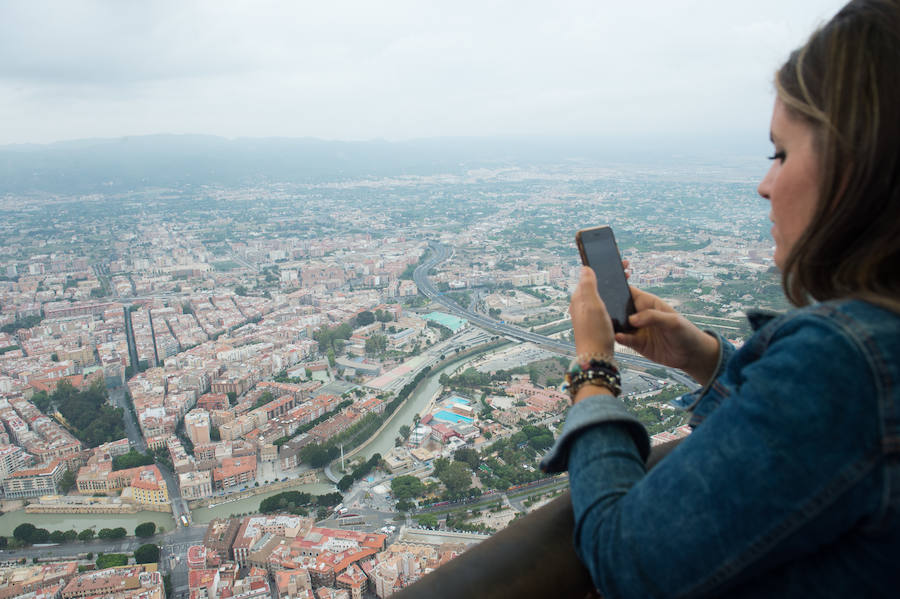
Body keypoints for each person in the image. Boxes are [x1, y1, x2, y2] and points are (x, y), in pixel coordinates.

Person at [539, 1, 900, 597]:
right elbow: (813, 442)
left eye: (780, 153)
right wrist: (700, 357)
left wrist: (594, 370)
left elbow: (626, 561)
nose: (765, 185)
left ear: (857, 167)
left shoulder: (847, 364)